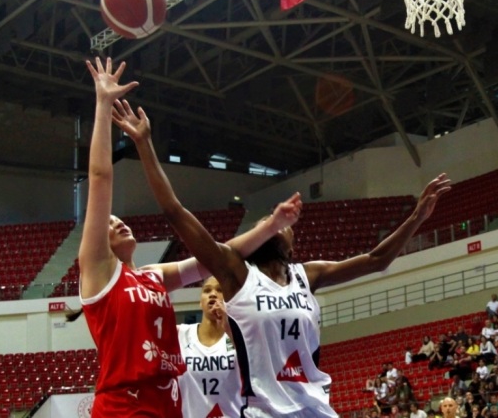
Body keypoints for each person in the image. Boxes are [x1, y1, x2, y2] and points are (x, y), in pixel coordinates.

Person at [111, 97, 451, 417]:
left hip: (316, 409)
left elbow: (378, 259)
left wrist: (417, 216)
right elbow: (174, 211)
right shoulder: (237, 276)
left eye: (278, 225)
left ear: (292, 243)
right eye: (263, 223)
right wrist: (143, 143)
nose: (271, 226)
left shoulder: (309, 275)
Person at [77, 58, 301, 417]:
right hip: (124, 406)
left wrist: (271, 227)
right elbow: (100, 177)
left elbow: (218, 255)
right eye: (109, 223)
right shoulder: (99, 273)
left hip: (168, 403)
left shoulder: (153, 277)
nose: (118, 223)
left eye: (120, 220)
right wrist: (103, 105)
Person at [177, 277, 241, 418]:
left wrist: (229, 327)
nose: (213, 294)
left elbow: (254, 366)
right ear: (200, 302)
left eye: (220, 290)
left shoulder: (240, 335)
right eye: (207, 290)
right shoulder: (180, 334)